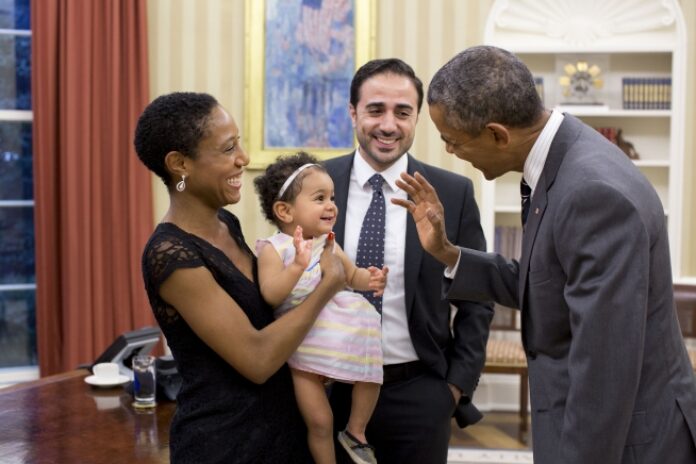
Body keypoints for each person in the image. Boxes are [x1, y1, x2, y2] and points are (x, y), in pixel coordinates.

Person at [393, 45, 696, 464]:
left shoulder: (591, 193)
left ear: (498, 133)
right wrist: (448, 253)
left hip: (629, 442)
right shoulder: (561, 158)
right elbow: (545, 284)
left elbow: (603, 374)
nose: (450, 153)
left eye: (452, 141)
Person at [133, 92, 346, 464]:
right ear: (179, 163)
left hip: (281, 429)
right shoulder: (170, 255)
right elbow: (257, 358)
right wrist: (327, 287)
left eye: (240, 144)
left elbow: (265, 309)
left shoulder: (225, 224)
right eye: (228, 148)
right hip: (227, 443)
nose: (243, 159)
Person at [324, 58, 494, 464]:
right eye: (375, 110)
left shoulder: (453, 193)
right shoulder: (316, 183)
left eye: (402, 112)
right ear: (353, 112)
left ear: (417, 117)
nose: (388, 125)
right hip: (327, 389)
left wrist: (454, 388)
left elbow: (478, 298)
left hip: (420, 391)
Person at [253, 152, 388, 464]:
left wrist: (373, 279)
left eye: (332, 197)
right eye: (319, 198)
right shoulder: (274, 249)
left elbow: (351, 276)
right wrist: (297, 266)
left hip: (340, 332)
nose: (331, 205)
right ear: (284, 211)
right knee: (319, 421)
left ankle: (356, 430)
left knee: (371, 371)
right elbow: (271, 294)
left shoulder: (329, 243)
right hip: (302, 347)